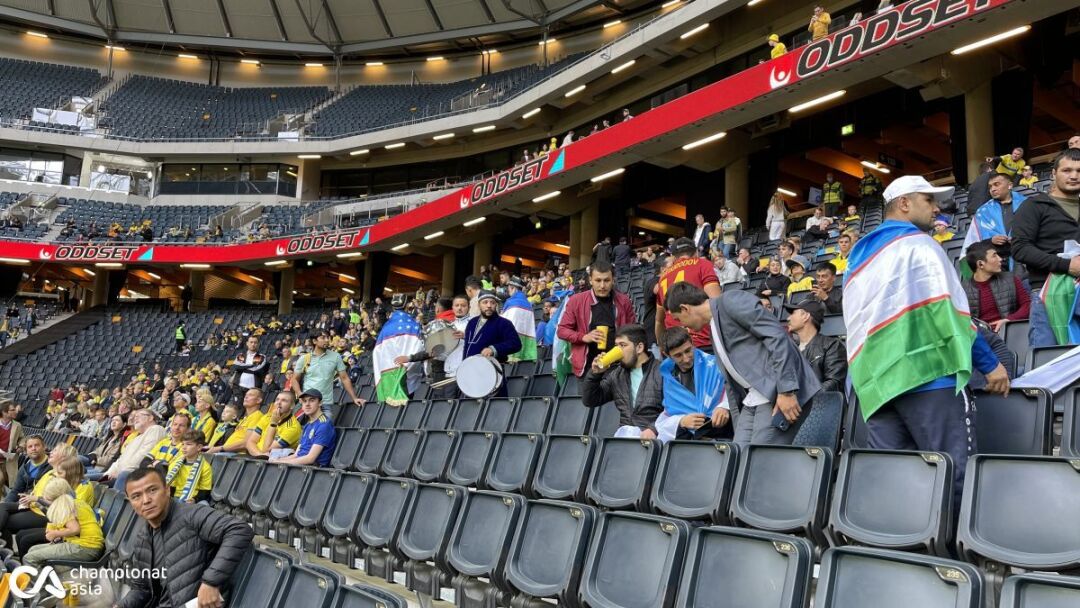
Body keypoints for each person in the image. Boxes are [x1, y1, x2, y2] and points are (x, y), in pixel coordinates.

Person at [843, 175, 1009, 503]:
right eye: (928, 200)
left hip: (877, 384)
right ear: (904, 203)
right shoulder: (920, 245)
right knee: (954, 477)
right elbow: (949, 312)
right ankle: (956, 539)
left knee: (894, 486)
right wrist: (990, 364)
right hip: (930, 377)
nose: (937, 209)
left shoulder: (857, 258)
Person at [664, 282, 821, 445]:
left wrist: (787, 391)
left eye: (678, 319)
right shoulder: (713, 326)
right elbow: (730, 380)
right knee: (737, 455)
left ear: (685, 308)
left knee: (758, 457)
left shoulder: (731, 300)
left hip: (778, 392)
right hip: (753, 398)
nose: (683, 325)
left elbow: (777, 337)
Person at [117, 467, 254, 608]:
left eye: (152, 490)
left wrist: (211, 582)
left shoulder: (192, 515)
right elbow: (142, 588)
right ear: (130, 502)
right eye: (136, 496)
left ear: (167, 490)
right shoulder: (142, 538)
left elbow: (239, 530)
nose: (146, 500)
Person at [1011, 148, 1080, 347]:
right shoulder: (1034, 206)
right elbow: (1020, 248)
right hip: (1046, 291)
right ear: (1053, 174)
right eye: (1067, 170)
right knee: (1050, 356)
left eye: (1079, 171)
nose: (1074, 176)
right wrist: (1067, 265)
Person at [581, 325, 664, 440]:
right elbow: (590, 400)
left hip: (654, 438)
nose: (618, 350)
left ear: (639, 348)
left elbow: (672, 410)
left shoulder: (662, 371)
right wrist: (595, 374)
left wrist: (654, 428)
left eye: (623, 345)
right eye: (616, 346)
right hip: (625, 438)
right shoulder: (617, 374)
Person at [558, 260, 636, 377]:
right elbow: (562, 330)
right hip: (587, 368)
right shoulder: (576, 301)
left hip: (618, 367)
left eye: (607, 280)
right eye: (598, 280)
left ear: (613, 280)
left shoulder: (624, 301)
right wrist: (584, 337)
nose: (602, 286)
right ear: (590, 280)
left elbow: (633, 330)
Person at [655, 327, 732, 443]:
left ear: (692, 343)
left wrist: (725, 406)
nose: (686, 359)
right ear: (667, 355)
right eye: (678, 355)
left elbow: (733, 391)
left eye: (688, 350)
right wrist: (682, 421)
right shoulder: (667, 378)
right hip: (688, 441)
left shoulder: (716, 365)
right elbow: (665, 418)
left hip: (723, 435)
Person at [655, 237, 722, 353]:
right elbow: (716, 303)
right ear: (696, 252)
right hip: (705, 342)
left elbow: (659, 321)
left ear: (674, 257)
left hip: (676, 347)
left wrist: (662, 347)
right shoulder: (702, 264)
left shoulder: (662, 278)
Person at [21, 477, 103, 570]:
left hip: (86, 548)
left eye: (48, 499)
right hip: (87, 545)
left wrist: (56, 534)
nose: (46, 501)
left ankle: (42, 579)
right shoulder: (75, 502)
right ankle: (46, 575)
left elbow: (75, 529)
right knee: (32, 550)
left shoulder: (66, 506)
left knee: (29, 558)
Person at [461, 291, 522, 397]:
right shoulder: (472, 323)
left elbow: (516, 343)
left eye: (492, 302)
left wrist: (494, 349)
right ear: (479, 305)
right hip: (472, 374)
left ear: (496, 305)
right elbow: (466, 348)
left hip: (492, 374)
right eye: (485, 302)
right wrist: (463, 368)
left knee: (494, 405)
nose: (489, 305)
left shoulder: (504, 323)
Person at [961, 172, 1027, 269]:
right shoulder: (982, 212)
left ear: (1010, 185)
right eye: (990, 187)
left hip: (1026, 259)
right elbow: (975, 243)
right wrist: (991, 241)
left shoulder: (1027, 204)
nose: (993, 189)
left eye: (996, 184)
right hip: (997, 265)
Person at [292, 330, 364, 418]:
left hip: (324, 403)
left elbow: (345, 378)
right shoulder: (304, 358)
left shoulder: (336, 356)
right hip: (306, 402)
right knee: (292, 425)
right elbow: (294, 379)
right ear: (314, 341)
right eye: (323, 338)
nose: (327, 340)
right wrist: (300, 394)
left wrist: (354, 398)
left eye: (327, 337)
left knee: (326, 425)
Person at [962, 241, 1031, 332]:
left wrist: (1009, 320)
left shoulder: (1010, 279)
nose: (1000, 259)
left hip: (1009, 332)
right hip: (981, 336)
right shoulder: (962, 290)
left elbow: (1028, 305)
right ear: (980, 264)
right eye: (994, 256)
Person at [785, 300, 847, 393]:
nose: (788, 318)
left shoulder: (832, 345)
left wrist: (801, 397)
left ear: (805, 316)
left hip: (818, 401)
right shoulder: (789, 349)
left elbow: (834, 383)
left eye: (792, 313)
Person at [101, 408, 167, 493]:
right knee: (89, 480)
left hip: (135, 475)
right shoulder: (137, 437)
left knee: (122, 476)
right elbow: (121, 459)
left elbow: (143, 456)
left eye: (138, 416)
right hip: (119, 473)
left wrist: (119, 472)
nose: (134, 418)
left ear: (150, 418)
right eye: (134, 416)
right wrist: (108, 473)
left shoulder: (156, 429)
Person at [271, 389, 336, 467]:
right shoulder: (308, 425)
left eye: (312, 400)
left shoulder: (324, 425)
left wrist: (280, 462)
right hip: (301, 465)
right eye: (304, 401)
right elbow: (297, 454)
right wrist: (278, 461)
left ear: (320, 403)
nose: (307, 404)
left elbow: (310, 458)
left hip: (313, 468)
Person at [245, 390, 302, 458]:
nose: (279, 402)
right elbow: (250, 442)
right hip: (256, 456)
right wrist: (259, 455)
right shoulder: (267, 417)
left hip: (274, 462)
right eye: (277, 399)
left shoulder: (293, 427)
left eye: (284, 400)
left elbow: (266, 450)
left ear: (292, 406)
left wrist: (273, 424)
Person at [166, 430, 213, 503]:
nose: (184, 447)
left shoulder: (205, 467)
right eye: (183, 444)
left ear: (199, 447)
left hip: (193, 499)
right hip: (176, 497)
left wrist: (194, 499)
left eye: (188, 444)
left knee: (204, 504)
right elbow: (172, 487)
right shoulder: (175, 464)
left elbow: (205, 491)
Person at [4, 434, 48, 502]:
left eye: (37, 445)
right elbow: (16, 490)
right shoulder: (25, 467)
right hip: (25, 501)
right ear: (26, 451)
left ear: (44, 447)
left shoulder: (52, 464)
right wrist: (5, 503)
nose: (33, 448)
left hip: (42, 502)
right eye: (30, 446)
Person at [0, 401, 24, 494]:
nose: (16, 411)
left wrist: (21, 446)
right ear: (4, 412)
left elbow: (22, 438)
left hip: (9, 460)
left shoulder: (17, 425)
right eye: (12, 410)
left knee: (10, 483)